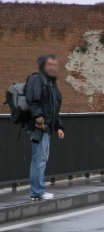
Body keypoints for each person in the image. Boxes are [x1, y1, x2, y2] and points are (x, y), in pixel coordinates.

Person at [26, 54, 65, 200]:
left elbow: (54, 109)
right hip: (39, 127)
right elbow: (33, 101)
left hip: (47, 127)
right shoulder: (38, 79)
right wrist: (39, 119)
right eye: (49, 65)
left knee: (42, 159)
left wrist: (59, 127)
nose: (52, 67)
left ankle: (39, 190)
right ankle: (37, 192)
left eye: (54, 65)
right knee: (39, 159)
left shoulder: (51, 83)